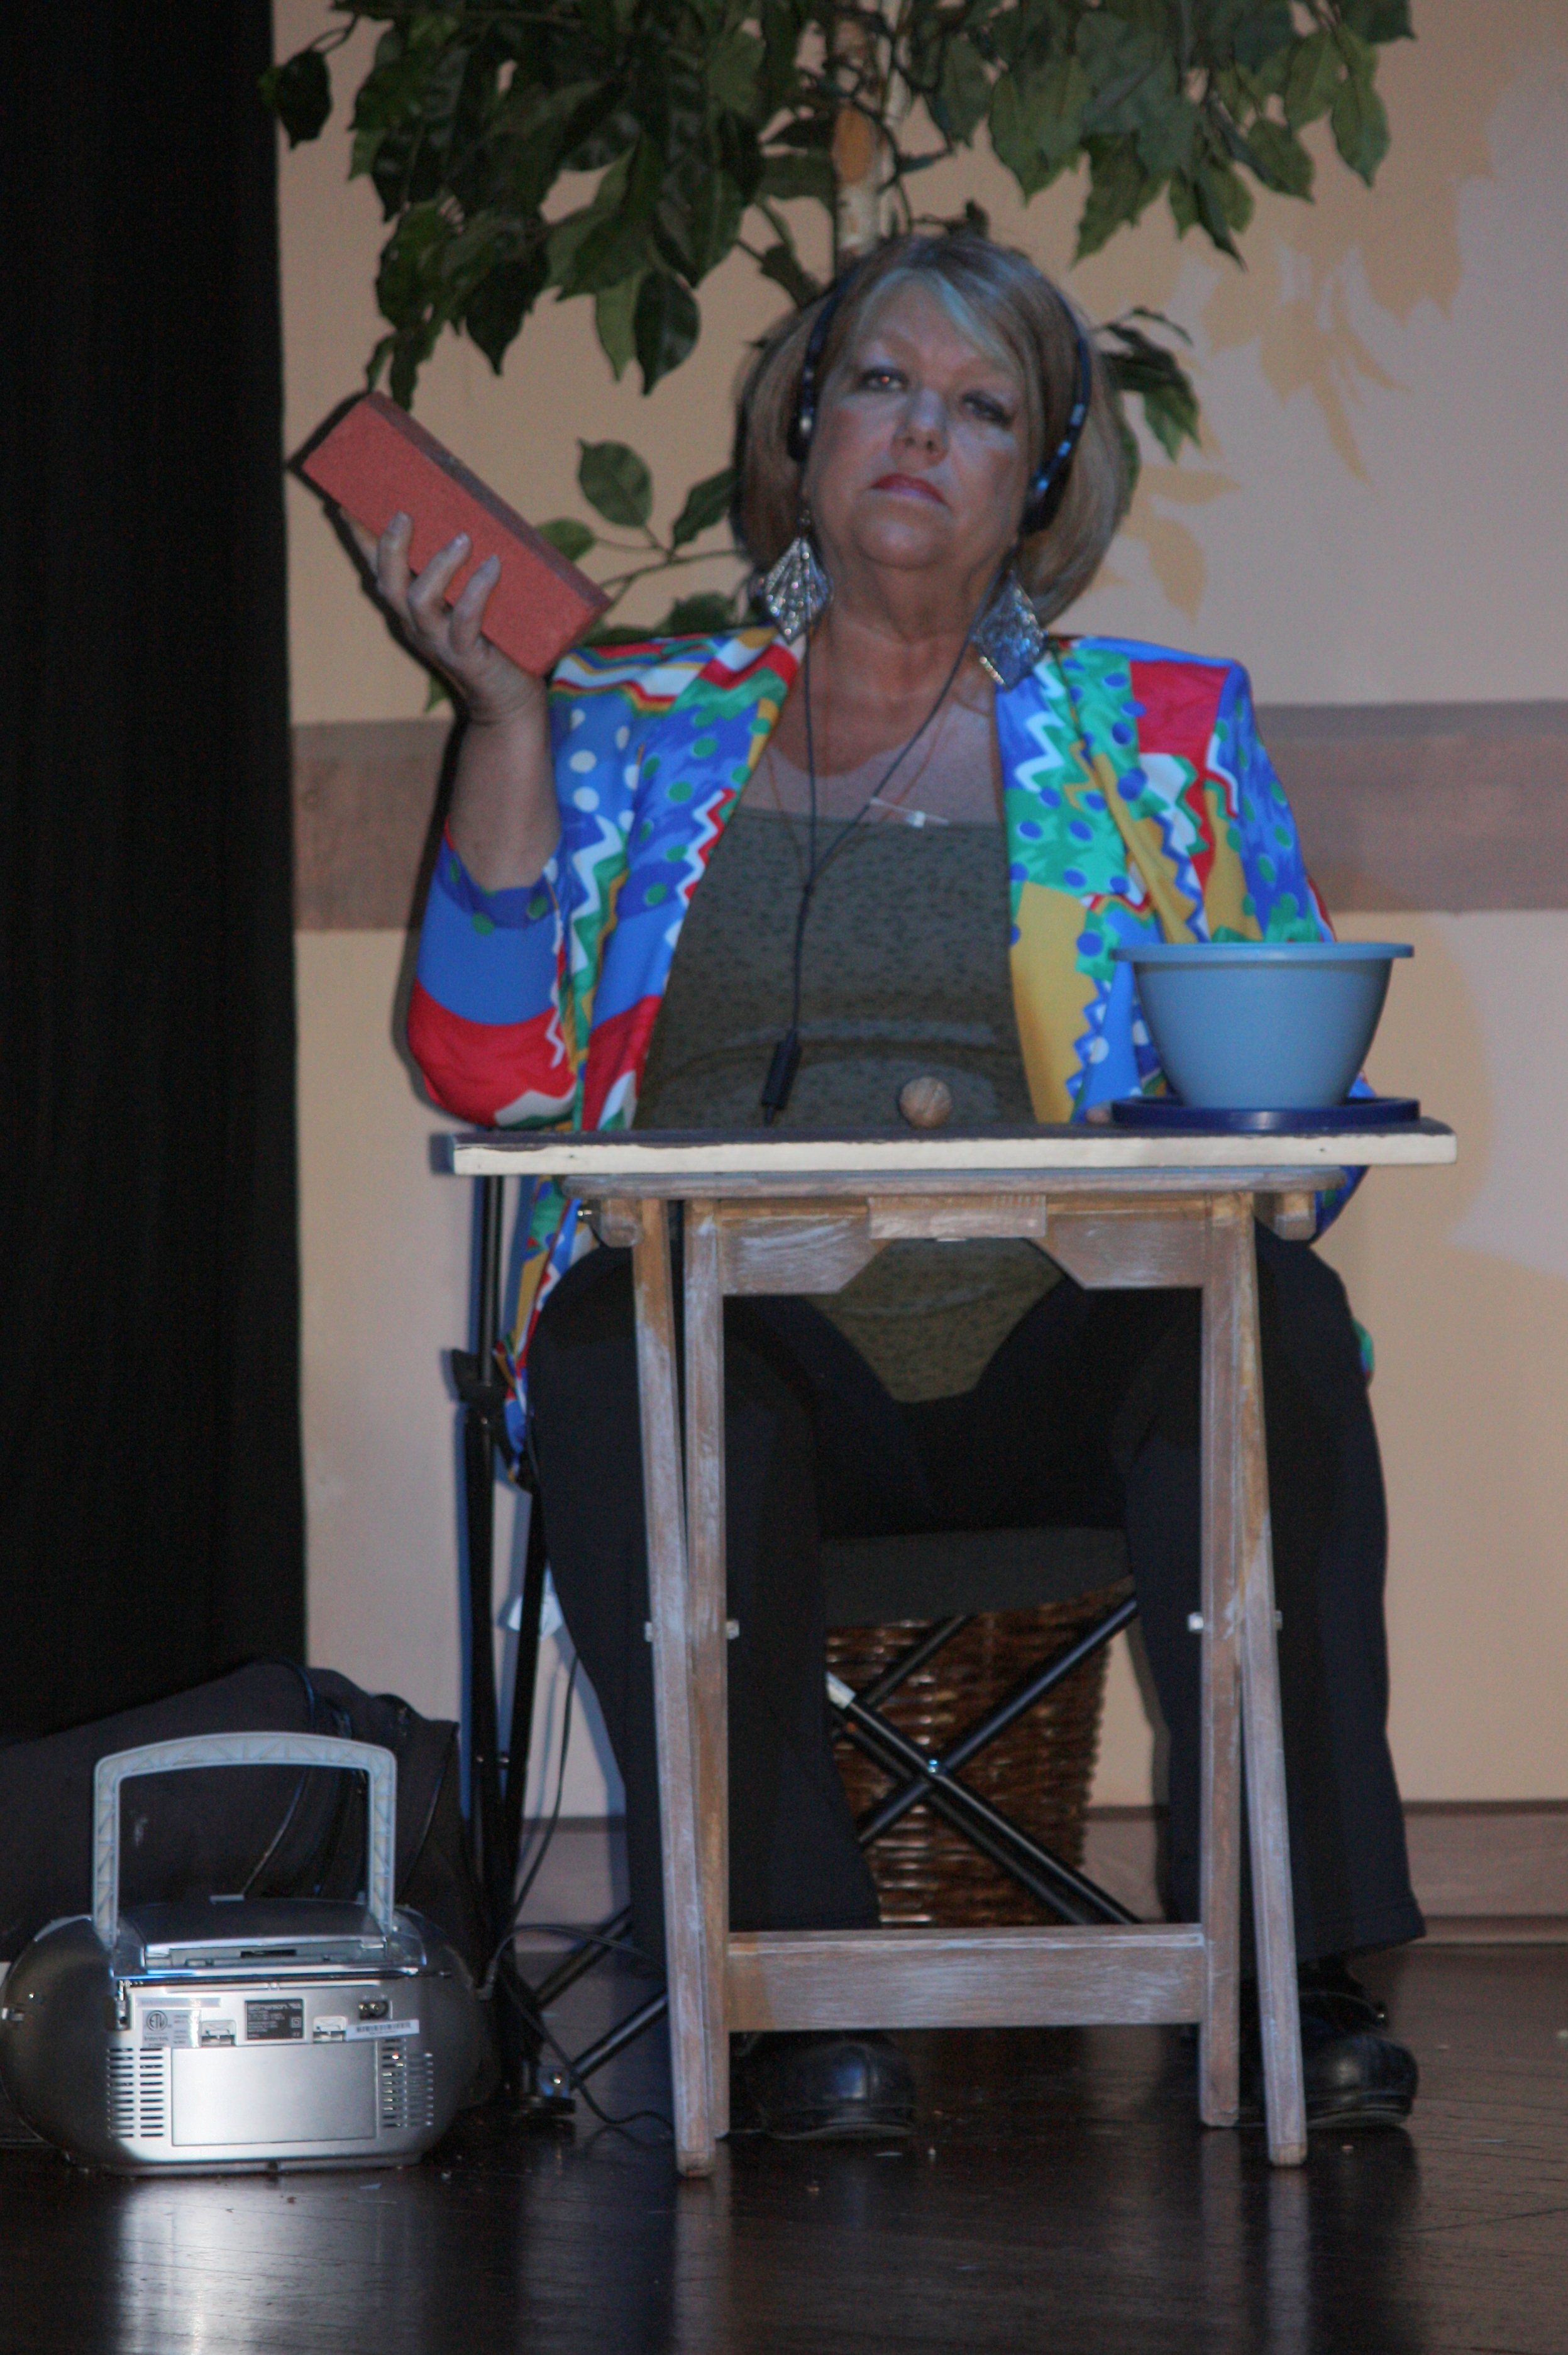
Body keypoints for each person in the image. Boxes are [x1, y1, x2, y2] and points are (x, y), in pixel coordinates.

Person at [356, 231, 1422, 2142]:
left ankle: (1300, 1959)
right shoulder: (629, 720)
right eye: (881, 384)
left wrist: (1240, 1132)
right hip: (742, 1352)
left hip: (1061, 1341)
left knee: (1276, 1319)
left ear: (1041, 478)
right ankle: (790, 1996)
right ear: (805, 427)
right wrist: (506, 720)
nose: (923, 432)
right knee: (603, 1344)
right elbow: (486, 1076)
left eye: (982, 406)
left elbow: (1298, 1125)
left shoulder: (1157, 739)